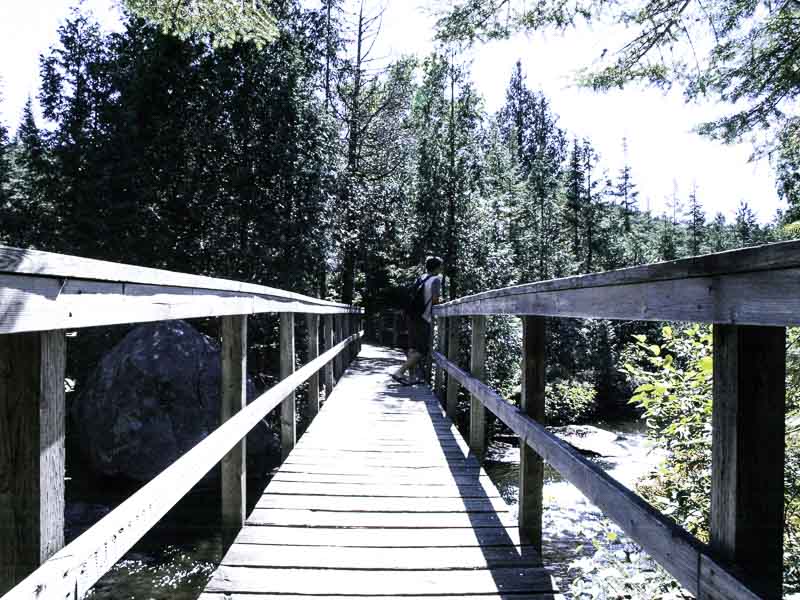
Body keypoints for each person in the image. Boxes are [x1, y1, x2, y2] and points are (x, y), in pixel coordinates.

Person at [391, 256, 443, 385]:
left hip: (411, 315)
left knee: (413, 347)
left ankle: (412, 377)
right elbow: (435, 300)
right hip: (423, 317)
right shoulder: (435, 280)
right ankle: (399, 372)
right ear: (437, 267)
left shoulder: (421, 277)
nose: (442, 269)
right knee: (422, 350)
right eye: (441, 266)